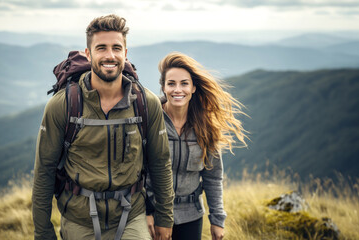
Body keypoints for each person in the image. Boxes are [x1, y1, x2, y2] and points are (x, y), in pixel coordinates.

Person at [32, 14, 174, 240]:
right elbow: (44, 171)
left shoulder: (145, 103)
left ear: (125, 54)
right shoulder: (64, 105)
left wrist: (165, 218)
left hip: (131, 215)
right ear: (88, 54)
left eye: (116, 48)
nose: (110, 55)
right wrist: (43, 233)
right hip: (80, 219)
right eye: (101, 48)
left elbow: (160, 162)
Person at [146, 52, 248, 240]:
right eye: (171, 84)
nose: (178, 89)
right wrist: (146, 212)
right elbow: (136, 172)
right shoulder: (150, 121)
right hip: (153, 213)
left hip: (190, 216)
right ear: (163, 87)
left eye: (184, 83)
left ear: (193, 87)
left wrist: (217, 220)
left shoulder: (205, 127)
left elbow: (213, 176)